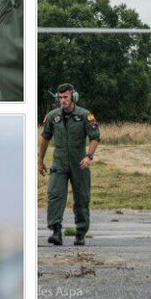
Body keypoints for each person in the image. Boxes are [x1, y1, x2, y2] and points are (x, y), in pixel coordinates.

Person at [38, 83, 101, 246]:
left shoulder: (85, 115)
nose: (62, 100)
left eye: (65, 97)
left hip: (79, 162)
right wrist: (40, 160)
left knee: (82, 198)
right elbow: (45, 137)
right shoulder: (53, 116)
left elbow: (95, 137)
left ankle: (80, 233)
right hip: (59, 161)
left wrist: (89, 156)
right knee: (55, 195)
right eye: (60, 97)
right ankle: (56, 231)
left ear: (73, 97)